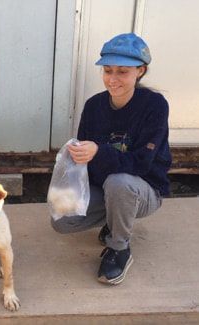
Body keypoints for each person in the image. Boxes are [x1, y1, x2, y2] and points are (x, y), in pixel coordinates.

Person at [51, 33, 172, 284]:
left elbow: (143, 163)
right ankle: (114, 220)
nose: (112, 79)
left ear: (140, 71)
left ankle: (119, 248)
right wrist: (76, 156)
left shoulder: (155, 105)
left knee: (119, 182)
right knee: (62, 220)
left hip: (145, 189)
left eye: (122, 72)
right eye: (107, 70)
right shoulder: (94, 105)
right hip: (106, 186)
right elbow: (86, 165)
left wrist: (99, 152)